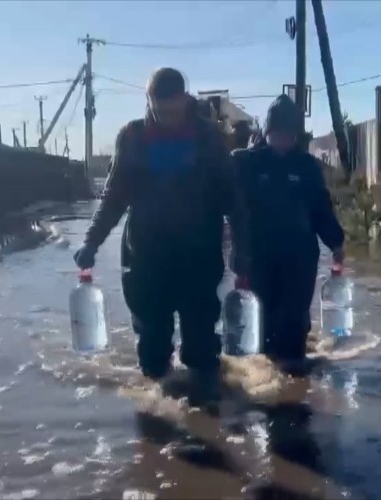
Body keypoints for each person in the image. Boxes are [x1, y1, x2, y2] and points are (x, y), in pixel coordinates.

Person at [73, 68, 248, 398]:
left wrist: (242, 248)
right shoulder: (133, 137)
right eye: (159, 110)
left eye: (173, 110)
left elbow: (231, 197)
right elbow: (114, 197)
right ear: (148, 100)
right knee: (153, 352)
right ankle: (157, 416)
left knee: (202, 351)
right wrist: (91, 241)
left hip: (198, 255)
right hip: (146, 257)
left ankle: (206, 411)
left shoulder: (207, 136)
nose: (166, 118)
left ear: (184, 99)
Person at [230, 95, 344, 373]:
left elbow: (321, 209)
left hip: (299, 257)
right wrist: (237, 256)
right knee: (260, 323)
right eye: (277, 133)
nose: (283, 139)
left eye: (289, 134)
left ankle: (294, 378)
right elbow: (231, 210)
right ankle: (262, 380)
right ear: (267, 132)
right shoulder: (248, 164)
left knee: (294, 323)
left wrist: (336, 243)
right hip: (258, 257)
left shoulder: (307, 167)